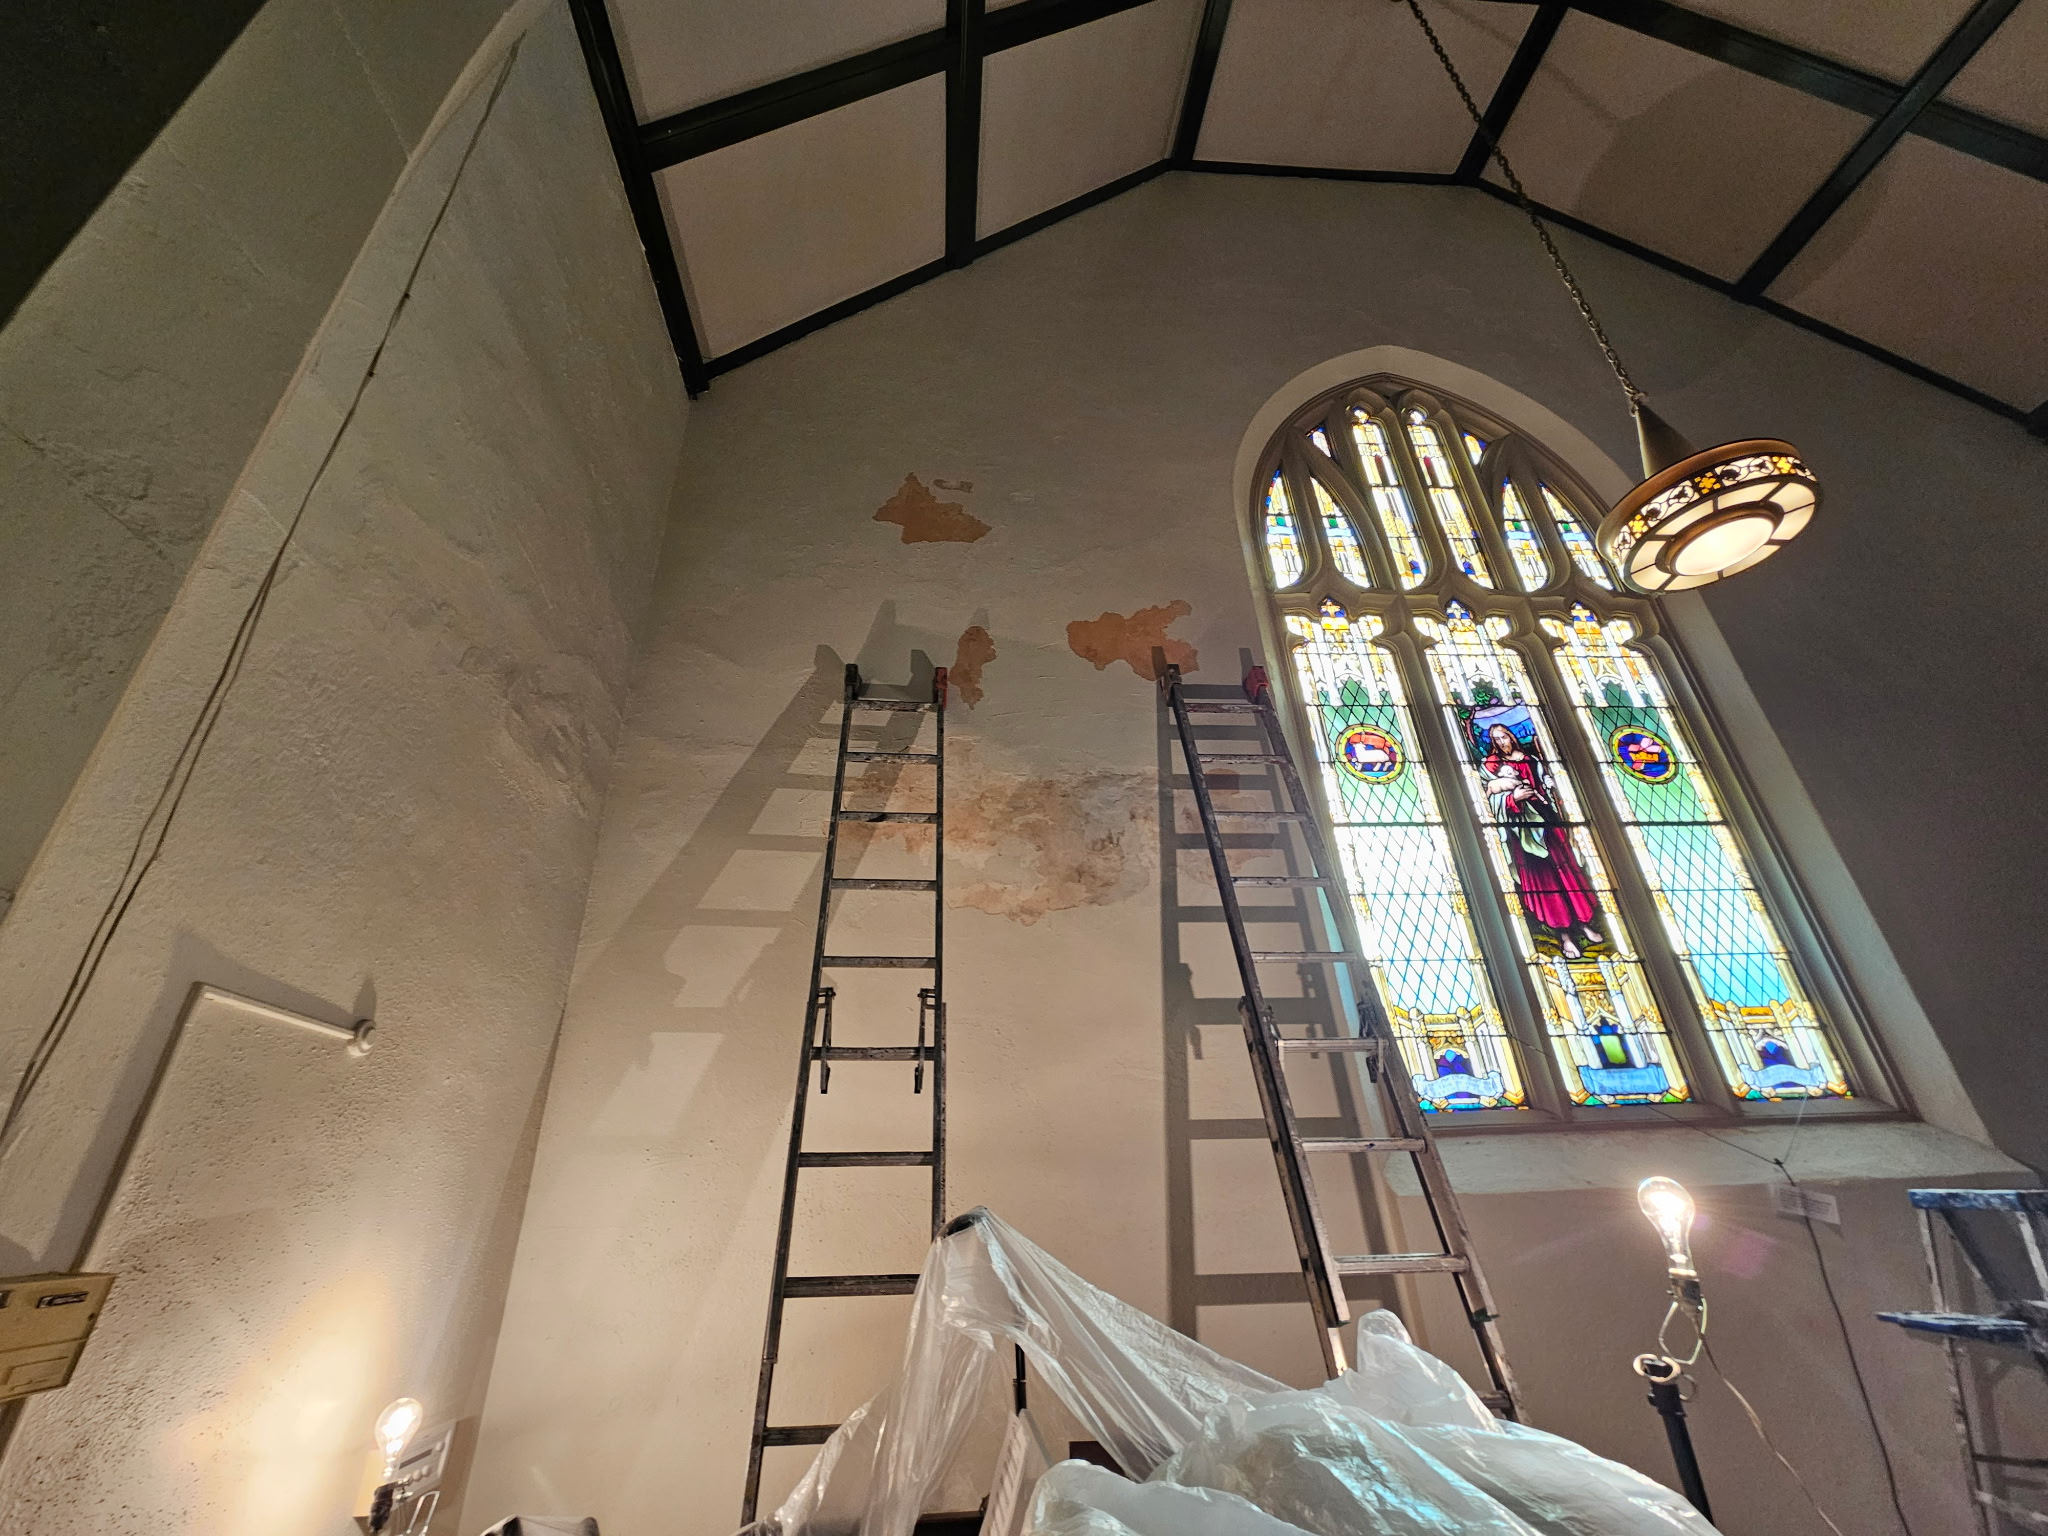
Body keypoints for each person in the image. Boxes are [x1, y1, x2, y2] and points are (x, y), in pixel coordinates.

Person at [1479, 723, 1606, 959]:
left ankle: (1584, 924)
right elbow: (1485, 799)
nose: (1501, 743)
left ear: (1511, 737)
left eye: (1504, 737)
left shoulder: (1531, 761)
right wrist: (1512, 799)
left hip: (1547, 824)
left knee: (1567, 874)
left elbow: (1547, 790)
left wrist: (1549, 791)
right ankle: (1564, 936)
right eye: (1496, 739)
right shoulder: (1490, 767)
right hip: (1520, 829)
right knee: (1543, 881)